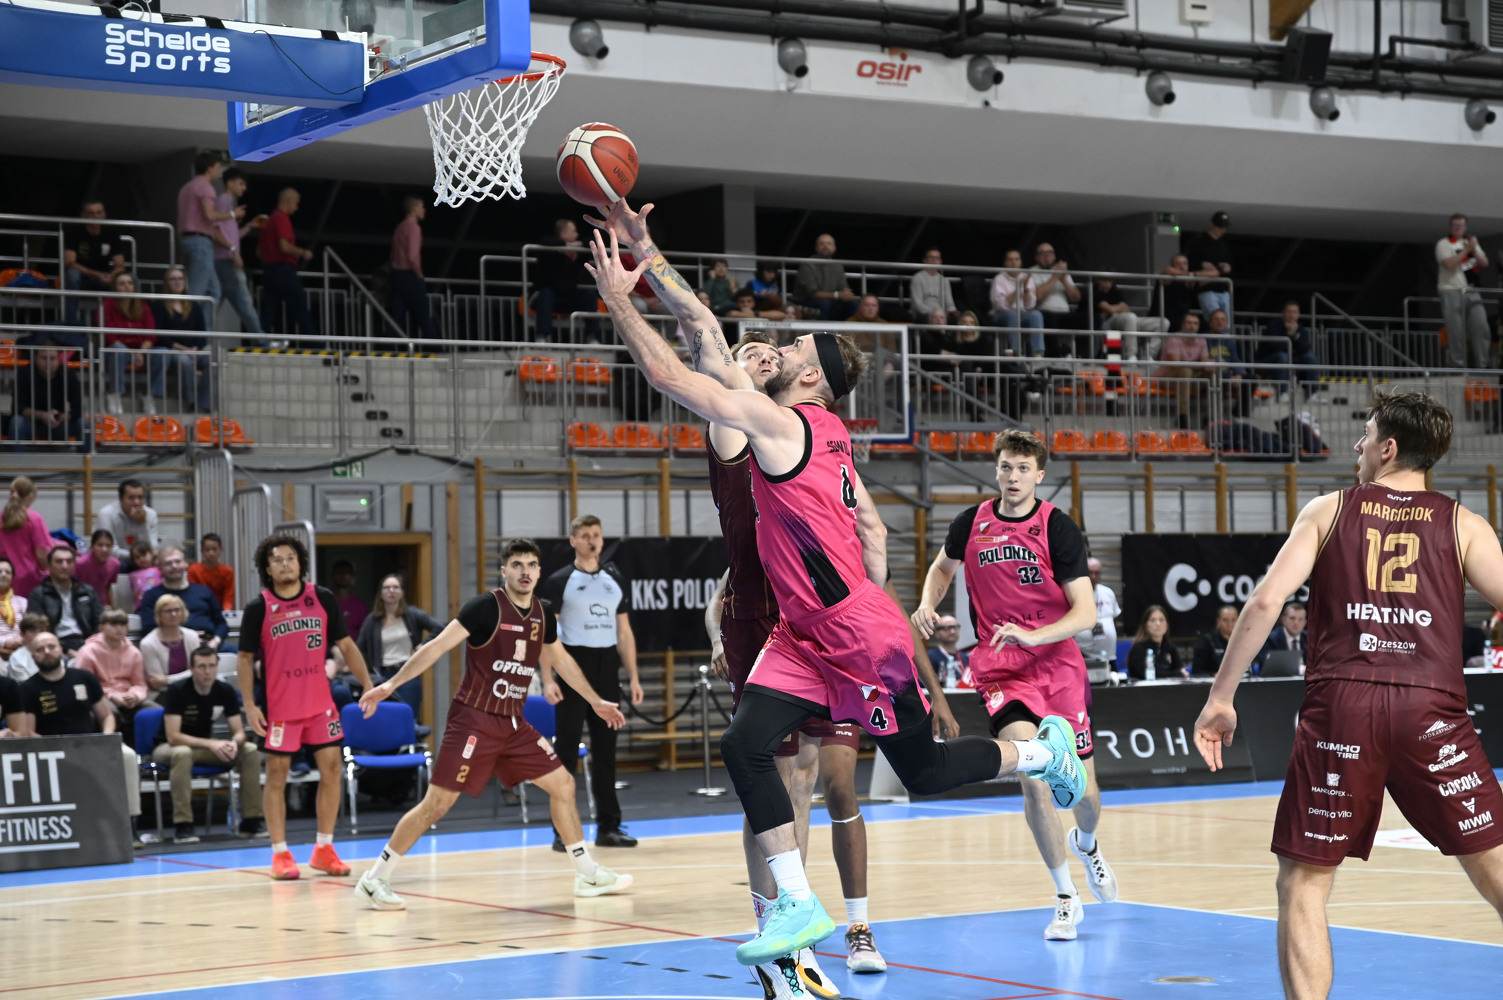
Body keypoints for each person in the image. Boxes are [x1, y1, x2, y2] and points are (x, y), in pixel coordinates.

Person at [584, 207, 1083, 969]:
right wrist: (645, 249)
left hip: (853, 634)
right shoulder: (795, 423)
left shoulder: (789, 427)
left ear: (811, 376)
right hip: (801, 630)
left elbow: (670, 374)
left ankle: (1040, 756)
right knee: (744, 746)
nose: (779, 348)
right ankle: (795, 901)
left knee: (923, 774)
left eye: (791, 349)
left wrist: (618, 300)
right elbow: (706, 336)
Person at [1195, 392, 1503, 1000]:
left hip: (1343, 706)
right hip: (1431, 707)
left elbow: (1265, 602)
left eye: (1365, 435)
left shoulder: (1329, 509)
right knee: (1493, 864)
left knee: (1303, 883)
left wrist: (1220, 698)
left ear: (1388, 448)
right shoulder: (1464, 523)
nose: (1357, 446)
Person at [695, 331, 959, 990]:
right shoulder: (736, 425)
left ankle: (805, 929)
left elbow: (867, 522)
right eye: (753, 351)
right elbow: (713, 376)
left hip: (826, 615)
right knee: (774, 769)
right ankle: (782, 947)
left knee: (812, 777)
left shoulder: (809, 433)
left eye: (776, 350)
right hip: (762, 616)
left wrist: (869, 595)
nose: (768, 355)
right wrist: (723, 358)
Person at [353, 539, 632, 909]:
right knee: (437, 804)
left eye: (531, 565)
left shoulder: (543, 614)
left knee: (563, 784)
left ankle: (587, 874)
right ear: (504, 571)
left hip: (513, 724)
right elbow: (436, 647)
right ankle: (375, 878)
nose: (524, 572)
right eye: (517, 565)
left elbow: (562, 660)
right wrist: (390, 685)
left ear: (539, 572)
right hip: (474, 720)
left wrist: (595, 700)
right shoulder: (485, 608)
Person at [914, 429, 1116, 941]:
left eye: (1023, 468)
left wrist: (1033, 635)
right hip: (1003, 669)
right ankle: (1065, 897)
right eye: (1006, 466)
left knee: (1085, 794)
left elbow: (1085, 613)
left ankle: (1087, 844)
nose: (1013, 476)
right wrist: (927, 603)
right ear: (997, 470)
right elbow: (941, 568)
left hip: (1058, 668)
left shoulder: (1058, 528)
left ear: (1039, 475)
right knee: (1033, 775)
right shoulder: (972, 523)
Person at [237, 534, 372, 880]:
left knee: (332, 769)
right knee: (277, 776)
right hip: (281, 707)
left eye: (290, 558)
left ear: (300, 563)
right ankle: (280, 853)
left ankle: (324, 849)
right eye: (277, 559)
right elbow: (245, 658)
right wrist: (249, 704)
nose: (285, 564)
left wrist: (369, 685)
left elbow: (346, 646)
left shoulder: (322, 598)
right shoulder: (259, 607)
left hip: (319, 705)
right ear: (267, 569)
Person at [538, 514, 643, 849]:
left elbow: (624, 631)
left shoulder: (614, 578)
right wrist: (547, 678)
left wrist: (634, 676)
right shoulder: (560, 580)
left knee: (606, 753)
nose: (591, 540)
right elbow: (547, 636)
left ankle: (608, 828)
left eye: (596, 535)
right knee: (566, 752)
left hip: (606, 668)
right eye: (585, 535)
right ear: (573, 541)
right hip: (572, 667)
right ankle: (563, 832)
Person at [21, 631, 141, 840]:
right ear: (33, 656)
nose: (47, 652)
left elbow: (106, 716)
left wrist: (106, 738)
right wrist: (51, 747)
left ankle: (130, 826)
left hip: (90, 745)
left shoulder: (84, 678)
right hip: (52, 750)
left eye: (51, 647)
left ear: (61, 649)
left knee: (128, 756)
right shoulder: (28, 688)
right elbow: (28, 731)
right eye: (40, 650)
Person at [154, 645, 265, 843]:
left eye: (212, 666)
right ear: (192, 669)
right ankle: (183, 825)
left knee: (249, 750)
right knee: (182, 753)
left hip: (202, 748)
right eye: (202, 667)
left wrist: (234, 743)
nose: (207, 672)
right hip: (168, 748)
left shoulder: (224, 690)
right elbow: (173, 737)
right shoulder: (177, 691)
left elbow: (239, 732)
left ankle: (251, 821)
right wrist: (212, 744)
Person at [354, 574, 444, 718]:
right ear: (380, 593)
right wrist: (367, 673)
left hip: (408, 672)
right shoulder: (372, 620)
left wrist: (423, 645)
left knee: (409, 717)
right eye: (387, 588)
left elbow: (439, 627)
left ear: (402, 592)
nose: (391, 591)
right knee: (386, 718)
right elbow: (359, 648)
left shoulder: (413, 614)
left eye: (396, 587)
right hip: (382, 676)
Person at [73, 607, 147, 739]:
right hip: (100, 696)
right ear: (101, 628)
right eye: (113, 624)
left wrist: (135, 695)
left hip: (127, 695)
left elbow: (139, 683)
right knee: (111, 713)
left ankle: (147, 748)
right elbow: (84, 685)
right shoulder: (88, 652)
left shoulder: (134, 652)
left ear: (128, 628)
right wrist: (110, 695)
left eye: (123, 624)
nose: (119, 629)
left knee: (153, 711)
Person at [137, 546, 229, 651]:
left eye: (178, 561)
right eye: (168, 563)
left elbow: (221, 624)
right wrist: (189, 639)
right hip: (172, 649)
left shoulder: (204, 591)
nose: (174, 566)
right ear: (160, 568)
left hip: (210, 646)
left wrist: (215, 641)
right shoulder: (151, 596)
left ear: (185, 564)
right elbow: (149, 629)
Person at [147, 267, 213, 411]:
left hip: (193, 349)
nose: (177, 282)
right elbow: (158, 333)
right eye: (173, 279)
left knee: (213, 360)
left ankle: (204, 402)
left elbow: (202, 333)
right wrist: (181, 348)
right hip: (173, 348)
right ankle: (191, 401)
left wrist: (195, 348)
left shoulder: (194, 304)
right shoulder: (159, 304)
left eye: (180, 279)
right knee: (185, 361)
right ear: (167, 283)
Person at [258, 188, 319, 341]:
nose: (296, 207)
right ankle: (316, 345)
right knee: (300, 308)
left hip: (268, 270)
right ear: (289, 200)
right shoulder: (281, 218)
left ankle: (259, 342)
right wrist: (303, 253)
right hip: (284, 269)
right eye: (296, 203)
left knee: (268, 312)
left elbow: (259, 251)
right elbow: (284, 246)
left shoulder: (268, 219)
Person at [177, 152, 239, 302]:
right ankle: (190, 316)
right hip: (200, 242)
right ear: (209, 169)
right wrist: (232, 213)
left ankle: (203, 318)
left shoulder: (186, 188)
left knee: (214, 291)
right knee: (197, 290)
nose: (220, 172)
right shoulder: (205, 187)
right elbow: (210, 215)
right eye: (218, 168)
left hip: (187, 240)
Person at [213, 168, 266, 340]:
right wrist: (233, 251)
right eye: (241, 183)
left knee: (214, 302)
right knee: (244, 303)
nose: (244, 188)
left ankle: (198, 338)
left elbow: (232, 236)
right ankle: (263, 341)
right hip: (227, 260)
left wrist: (250, 225)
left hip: (223, 259)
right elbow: (215, 231)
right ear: (229, 183)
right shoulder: (223, 201)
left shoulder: (228, 205)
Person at [1435, 213, 1492, 369]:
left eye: (1461, 225)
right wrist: (1466, 250)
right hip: (1451, 290)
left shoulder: (1470, 242)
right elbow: (1449, 264)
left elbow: (1484, 263)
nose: (1458, 228)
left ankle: (1483, 363)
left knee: (1480, 326)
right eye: (1455, 225)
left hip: (1471, 289)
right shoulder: (1444, 244)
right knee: (1456, 330)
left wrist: (1474, 249)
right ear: (1450, 227)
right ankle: (1457, 364)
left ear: (1465, 227)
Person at [62, 200, 127, 326]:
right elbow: (70, 263)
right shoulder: (74, 231)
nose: (96, 216)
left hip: (105, 278)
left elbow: (120, 265)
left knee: (131, 279)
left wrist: (112, 276)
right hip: (83, 278)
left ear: (104, 214)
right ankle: (71, 323)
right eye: (91, 213)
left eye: (99, 212)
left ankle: (128, 322)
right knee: (72, 275)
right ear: (83, 216)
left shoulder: (111, 231)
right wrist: (97, 274)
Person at [532, 219, 597, 343]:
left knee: (589, 294)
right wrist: (565, 246)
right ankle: (542, 337)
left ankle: (592, 337)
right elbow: (543, 240)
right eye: (573, 231)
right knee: (546, 294)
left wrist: (577, 245)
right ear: (563, 234)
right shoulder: (550, 249)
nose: (577, 234)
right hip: (552, 298)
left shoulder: (579, 252)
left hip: (570, 297)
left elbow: (593, 242)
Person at [102, 270, 157, 416]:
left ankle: (149, 394)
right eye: (122, 284)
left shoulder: (143, 306)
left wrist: (141, 352)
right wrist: (130, 352)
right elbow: (110, 336)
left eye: (129, 283)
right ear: (115, 288)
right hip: (117, 349)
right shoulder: (106, 306)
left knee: (162, 353)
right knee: (119, 349)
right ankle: (114, 393)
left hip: (141, 350)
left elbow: (151, 336)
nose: (127, 287)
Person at [28, 544, 100, 653]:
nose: (64, 566)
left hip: (87, 644)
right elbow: (37, 628)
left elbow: (99, 623)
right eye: (59, 562)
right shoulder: (38, 594)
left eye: (69, 561)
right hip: (53, 647)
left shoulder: (88, 591)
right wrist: (62, 649)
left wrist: (89, 647)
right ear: (49, 565)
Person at [12, 347, 85, 447]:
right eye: (44, 358)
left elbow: (78, 409)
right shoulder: (24, 373)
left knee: (84, 423)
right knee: (17, 422)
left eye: (52, 359)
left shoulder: (68, 374)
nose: (48, 362)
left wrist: (60, 417)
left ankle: (87, 457)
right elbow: (17, 407)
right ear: (36, 359)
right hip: (32, 424)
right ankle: (16, 457)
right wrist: (42, 415)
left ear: (58, 360)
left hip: (58, 424)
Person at [389, 196, 438, 339]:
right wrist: (420, 275)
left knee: (397, 317)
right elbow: (412, 257)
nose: (424, 210)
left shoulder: (400, 227)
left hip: (397, 275)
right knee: (424, 316)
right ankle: (437, 347)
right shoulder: (414, 228)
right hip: (410, 276)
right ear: (413, 209)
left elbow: (392, 255)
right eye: (421, 207)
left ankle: (386, 345)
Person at [1092, 274, 1169, 362]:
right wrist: (1119, 307)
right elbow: (1111, 310)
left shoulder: (1115, 291)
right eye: (1105, 281)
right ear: (1098, 280)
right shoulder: (1094, 293)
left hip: (1129, 319)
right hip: (1110, 321)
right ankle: (1131, 355)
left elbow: (1127, 309)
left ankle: (1149, 356)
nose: (1108, 284)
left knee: (1163, 322)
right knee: (1130, 317)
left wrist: (1116, 308)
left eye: (1110, 281)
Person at [1157, 312, 1212, 429]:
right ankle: (1182, 415)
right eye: (1189, 323)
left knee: (1212, 373)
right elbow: (1177, 364)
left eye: (1195, 324)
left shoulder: (1201, 340)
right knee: (1185, 371)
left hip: (1189, 378)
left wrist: (1209, 365)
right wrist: (1201, 365)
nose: (1192, 326)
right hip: (1166, 378)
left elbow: (1205, 362)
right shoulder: (1174, 339)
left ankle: (1211, 417)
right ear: (1182, 325)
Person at [140, 593, 201, 695]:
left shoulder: (192, 636)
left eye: (177, 610)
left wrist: (167, 680)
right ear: (159, 615)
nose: (173, 614)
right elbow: (156, 683)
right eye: (168, 611)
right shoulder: (148, 643)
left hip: (194, 689)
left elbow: (199, 671)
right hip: (164, 694)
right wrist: (190, 673)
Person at [1028, 243, 1082, 357]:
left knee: (1092, 320)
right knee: (1050, 320)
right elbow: (1039, 296)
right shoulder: (1032, 272)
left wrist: (1064, 281)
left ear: (1054, 256)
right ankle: (1056, 356)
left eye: (1049, 253)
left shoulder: (1061, 272)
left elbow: (1076, 298)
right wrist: (1055, 277)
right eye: (1043, 254)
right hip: (1044, 312)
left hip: (1065, 313)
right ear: (1037, 257)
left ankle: (1081, 355)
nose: (1046, 257)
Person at [0, 478, 51, 598]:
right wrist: (48, 570)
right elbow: (41, 554)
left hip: (4, 575)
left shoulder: (1, 518)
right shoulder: (35, 518)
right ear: (31, 496)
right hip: (29, 577)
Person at [991, 249, 1045, 357]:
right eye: (1010, 260)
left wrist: (1025, 289)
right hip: (1002, 315)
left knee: (1036, 314)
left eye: (1016, 259)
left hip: (1022, 314)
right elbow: (1001, 306)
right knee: (1012, 315)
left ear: (1020, 262)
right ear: (1005, 263)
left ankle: (1037, 352)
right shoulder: (999, 279)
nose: (1014, 263)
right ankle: (1016, 351)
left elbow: (1030, 305)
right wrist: (1018, 287)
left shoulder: (1026, 278)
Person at [96, 480, 159, 569]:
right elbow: (108, 550)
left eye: (140, 497)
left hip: (143, 561)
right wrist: (137, 556)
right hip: (119, 561)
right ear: (121, 499)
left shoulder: (151, 514)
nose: (136, 502)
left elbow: (152, 548)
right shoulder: (106, 514)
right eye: (131, 498)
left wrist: (142, 524)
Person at [1257, 301, 1320, 390]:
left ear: (1298, 315)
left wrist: (1294, 335)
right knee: (1283, 357)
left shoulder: (1300, 328)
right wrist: (1289, 334)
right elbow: (1275, 347)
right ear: (1283, 313)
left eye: (1294, 312)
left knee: (1310, 357)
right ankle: (1283, 392)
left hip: (1291, 362)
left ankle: (1312, 392)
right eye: (1289, 312)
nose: (1291, 316)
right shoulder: (1273, 326)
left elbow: (1305, 348)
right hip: (1269, 362)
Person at [1073, 557, 1121, 671]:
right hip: (1083, 655)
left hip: (1109, 655)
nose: (1093, 576)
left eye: (1097, 573)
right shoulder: (1073, 594)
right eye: (1090, 572)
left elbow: (1114, 618)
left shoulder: (1108, 592)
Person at [794, 233, 855, 321]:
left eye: (829, 243)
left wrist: (847, 294)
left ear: (834, 248)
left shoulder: (838, 265)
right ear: (816, 248)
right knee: (824, 303)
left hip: (830, 301)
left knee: (853, 303)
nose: (825, 246)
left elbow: (843, 288)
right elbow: (813, 293)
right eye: (821, 244)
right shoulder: (808, 264)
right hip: (806, 301)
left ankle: (848, 330)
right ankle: (822, 330)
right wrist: (837, 295)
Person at [1151, 253, 1202, 355]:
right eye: (1178, 264)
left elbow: (1215, 274)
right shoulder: (1167, 278)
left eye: (1184, 263)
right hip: (1162, 322)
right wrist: (1189, 275)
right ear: (1172, 265)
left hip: (1181, 326)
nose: (1182, 266)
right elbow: (1168, 271)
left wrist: (1193, 275)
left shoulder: (1190, 281)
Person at [1187, 211, 1234, 320]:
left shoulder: (1224, 244)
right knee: (1213, 319)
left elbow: (1230, 263)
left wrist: (1228, 267)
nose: (1222, 230)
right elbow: (1191, 261)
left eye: (1224, 227)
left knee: (1226, 321)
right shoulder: (1199, 242)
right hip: (1207, 288)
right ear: (1212, 224)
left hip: (1223, 287)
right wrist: (1201, 264)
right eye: (1220, 226)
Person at [1125, 605, 1186, 679]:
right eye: (1153, 620)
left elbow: (1181, 669)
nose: (1158, 624)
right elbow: (1150, 674)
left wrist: (1180, 673)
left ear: (1167, 625)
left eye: (1161, 620)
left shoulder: (1170, 647)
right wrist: (1177, 674)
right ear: (1146, 625)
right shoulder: (1138, 649)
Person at [189, 534, 235, 611]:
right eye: (207, 549)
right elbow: (194, 595)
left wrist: (226, 612)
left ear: (220, 550)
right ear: (202, 551)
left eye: (214, 549)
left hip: (221, 610)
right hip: (200, 610)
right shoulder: (194, 570)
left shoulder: (227, 571)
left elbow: (228, 597)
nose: (211, 553)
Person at [1259, 601, 1308, 672]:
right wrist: (1300, 669)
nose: (1296, 623)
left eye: (1300, 619)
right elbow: (1267, 664)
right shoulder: (1270, 639)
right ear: (1283, 620)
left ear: (1305, 623)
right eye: (1292, 618)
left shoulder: (1309, 639)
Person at [75, 530, 120, 607]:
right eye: (100, 545)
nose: (104, 549)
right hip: (82, 604)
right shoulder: (80, 563)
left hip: (102, 604)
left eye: (108, 546)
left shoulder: (115, 564)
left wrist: (113, 607)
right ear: (92, 547)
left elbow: (108, 586)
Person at [909, 247, 956, 321]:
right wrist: (934, 314)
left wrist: (952, 312)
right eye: (931, 257)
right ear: (925, 260)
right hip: (924, 314)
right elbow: (917, 305)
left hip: (941, 315)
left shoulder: (944, 280)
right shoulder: (917, 278)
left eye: (937, 258)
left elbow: (950, 304)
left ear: (940, 261)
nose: (934, 260)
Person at [1194, 605, 1239, 677]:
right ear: (1218, 621)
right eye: (1225, 620)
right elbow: (1197, 670)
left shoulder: (1245, 640)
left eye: (1233, 620)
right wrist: (1213, 675)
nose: (1230, 624)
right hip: (1215, 681)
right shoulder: (1207, 641)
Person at [926, 615, 969, 689]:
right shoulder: (929, 657)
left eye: (955, 627)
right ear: (936, 633)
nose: (952, 631)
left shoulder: (966, 658)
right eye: (947, 628)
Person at [0, 558, 28, 671]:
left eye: (8, 572)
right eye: (0, 571)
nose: (3, 574)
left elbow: (31, 627)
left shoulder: (23, 602)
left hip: (22, 648)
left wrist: (22, 638)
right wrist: (5, 642)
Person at [7, 612, 50, 682]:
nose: (38, 635)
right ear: (22, 634)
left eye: (41, 631)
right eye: (33, 631)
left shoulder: (53, 652)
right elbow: (24, 687)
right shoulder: (16, 658)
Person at [328, 560, 369, 634]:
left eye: (347, 573)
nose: (343, 576)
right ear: (333, 576)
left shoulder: (360, 605)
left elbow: (365, 633)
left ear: (352, 577)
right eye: (340, 572)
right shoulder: (326, 601)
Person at [128, 542, 161, 610]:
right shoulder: (133, 575)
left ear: (151, 554)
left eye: (144, 555)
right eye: (137, 557)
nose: (142, 559)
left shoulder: (159, 569)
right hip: (141, 607)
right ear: (133, 560)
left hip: (158, 605)